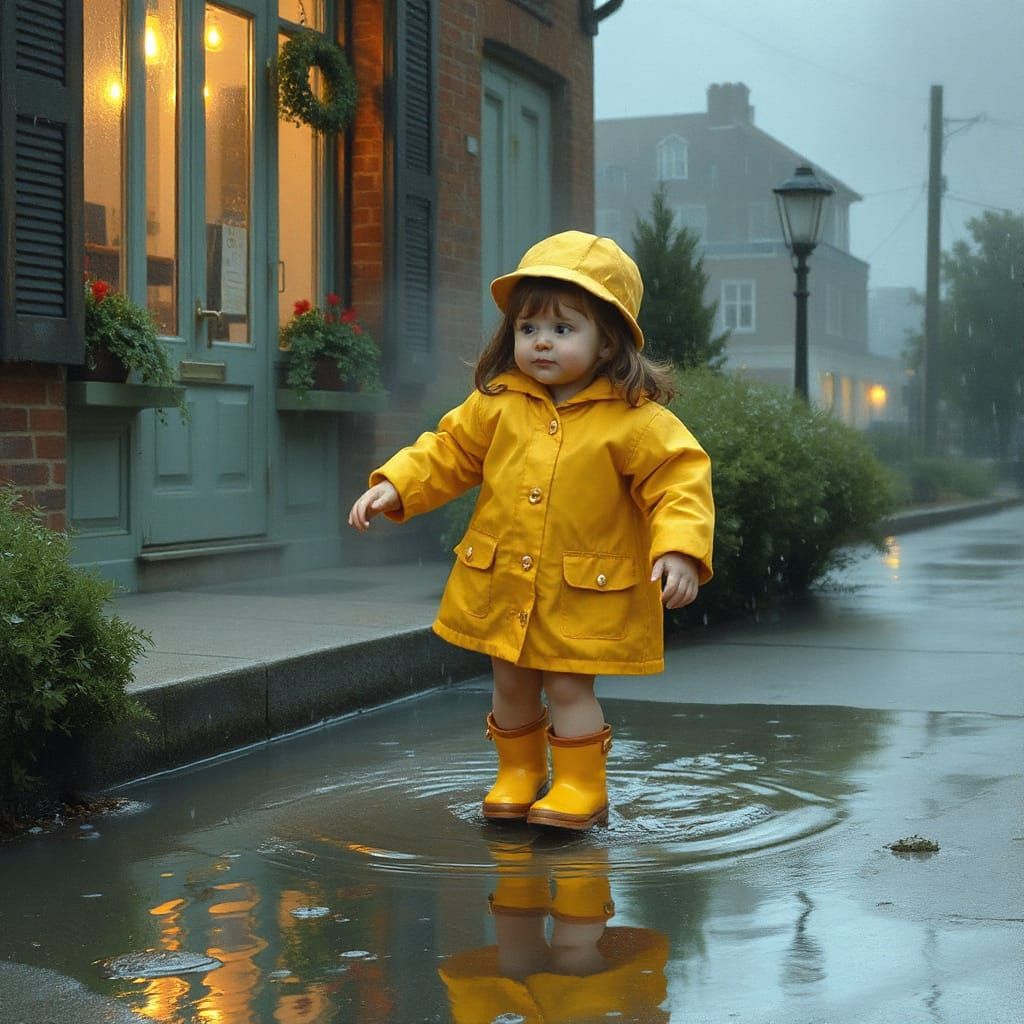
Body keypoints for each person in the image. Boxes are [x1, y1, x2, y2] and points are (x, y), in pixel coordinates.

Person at [348, 230, 714, 830]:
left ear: (607, 342)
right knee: (510, 681)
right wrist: (398, 483)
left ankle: (580, 784)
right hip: (505, 582)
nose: (542, 341)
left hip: (580, 591)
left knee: (568, 687)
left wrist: (679, 549)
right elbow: (449, 451)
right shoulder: (497, 403)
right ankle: (519, 771)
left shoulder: (636, 421)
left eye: (563, 329)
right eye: (528, 328)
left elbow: (679, 481)